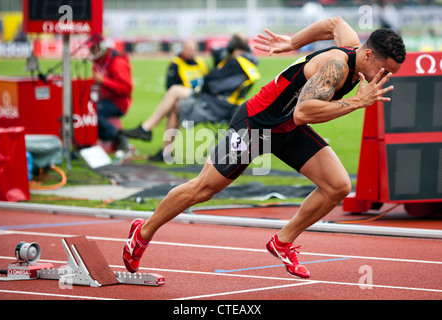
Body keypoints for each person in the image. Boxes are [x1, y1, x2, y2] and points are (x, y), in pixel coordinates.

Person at [122, 16, 406, 279]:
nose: (383, 77)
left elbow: (334, 23)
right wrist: (357, 101)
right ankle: (142, 233)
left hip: (286, 130)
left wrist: (292, 43)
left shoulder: (354, 50)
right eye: (384, 70)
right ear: (368, 54)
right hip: (255, 125)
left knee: (338, 186)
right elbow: (304, 112)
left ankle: (282, 242)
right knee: (204, 189)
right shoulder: (337, 66)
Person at [120, 33, 260, 161]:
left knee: (174, 93)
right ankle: (165, 152)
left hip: (215, 107)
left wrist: (201, 87)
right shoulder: (248, 64)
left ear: (231, 47)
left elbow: (211, 82)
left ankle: (147, 130)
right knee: (174, 103)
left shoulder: (235, 63)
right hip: (228, 106)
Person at [87, 34, 133, 152]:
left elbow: (126, 89)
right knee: (85, 109)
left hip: (119, 103)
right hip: (105, 100)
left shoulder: (117, 62)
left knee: (92, 113)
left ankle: (118, 137)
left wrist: (104, 81)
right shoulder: (98, 62)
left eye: (93, 48)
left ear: (100, 47)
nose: (90, 51)